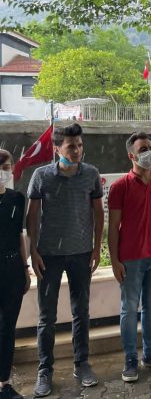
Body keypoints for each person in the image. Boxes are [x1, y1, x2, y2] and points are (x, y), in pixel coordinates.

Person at [27, 123, 103, 397]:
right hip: (48, 256)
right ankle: (45, 370)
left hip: (81, 254)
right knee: (47, 317)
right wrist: (33, 251)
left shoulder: (91, 174)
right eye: (71, 146)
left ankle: (81, 364)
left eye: (80, 145)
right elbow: (32, 215)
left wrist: (96, 249)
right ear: (57, 148)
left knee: (81, 311)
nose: (77, 150)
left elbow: (98, 213)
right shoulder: (41, 176)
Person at [108, 132, 151, 382]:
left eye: (150, 147)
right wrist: (114, 260)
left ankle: (150, 353)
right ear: (131, 156)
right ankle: (130, 359)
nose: (148, 152)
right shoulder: (119, 187)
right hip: (131, 259)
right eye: (142, 149)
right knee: (128, 309)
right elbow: (113, 227)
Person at [0, 150, 29, 399]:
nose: (2, 172)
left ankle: (5, 383)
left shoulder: (17, 199)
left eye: (6, 167)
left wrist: (25, 268)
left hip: (12, 269)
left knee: (8, 328)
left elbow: (20, 235)